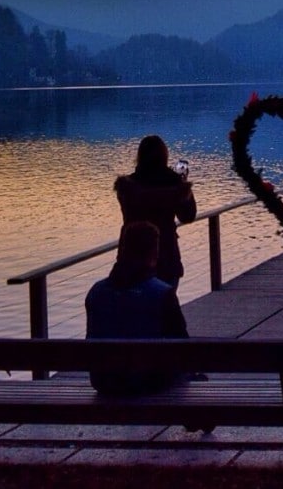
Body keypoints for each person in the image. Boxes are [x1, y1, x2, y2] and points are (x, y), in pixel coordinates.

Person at [84, 221, 189, 396]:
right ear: (154, 253)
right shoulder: (163, 294)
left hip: (103, 382)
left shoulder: (96, 292)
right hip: (148, 383)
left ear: (122, 251)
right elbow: (183, 348)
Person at [114, 135, 196, 288]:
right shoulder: (174, 185)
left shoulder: (127, 187)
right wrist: (183, 183)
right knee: (163, 305)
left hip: (130, 256)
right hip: (166, 255)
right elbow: (188, 216)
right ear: (164, 156)